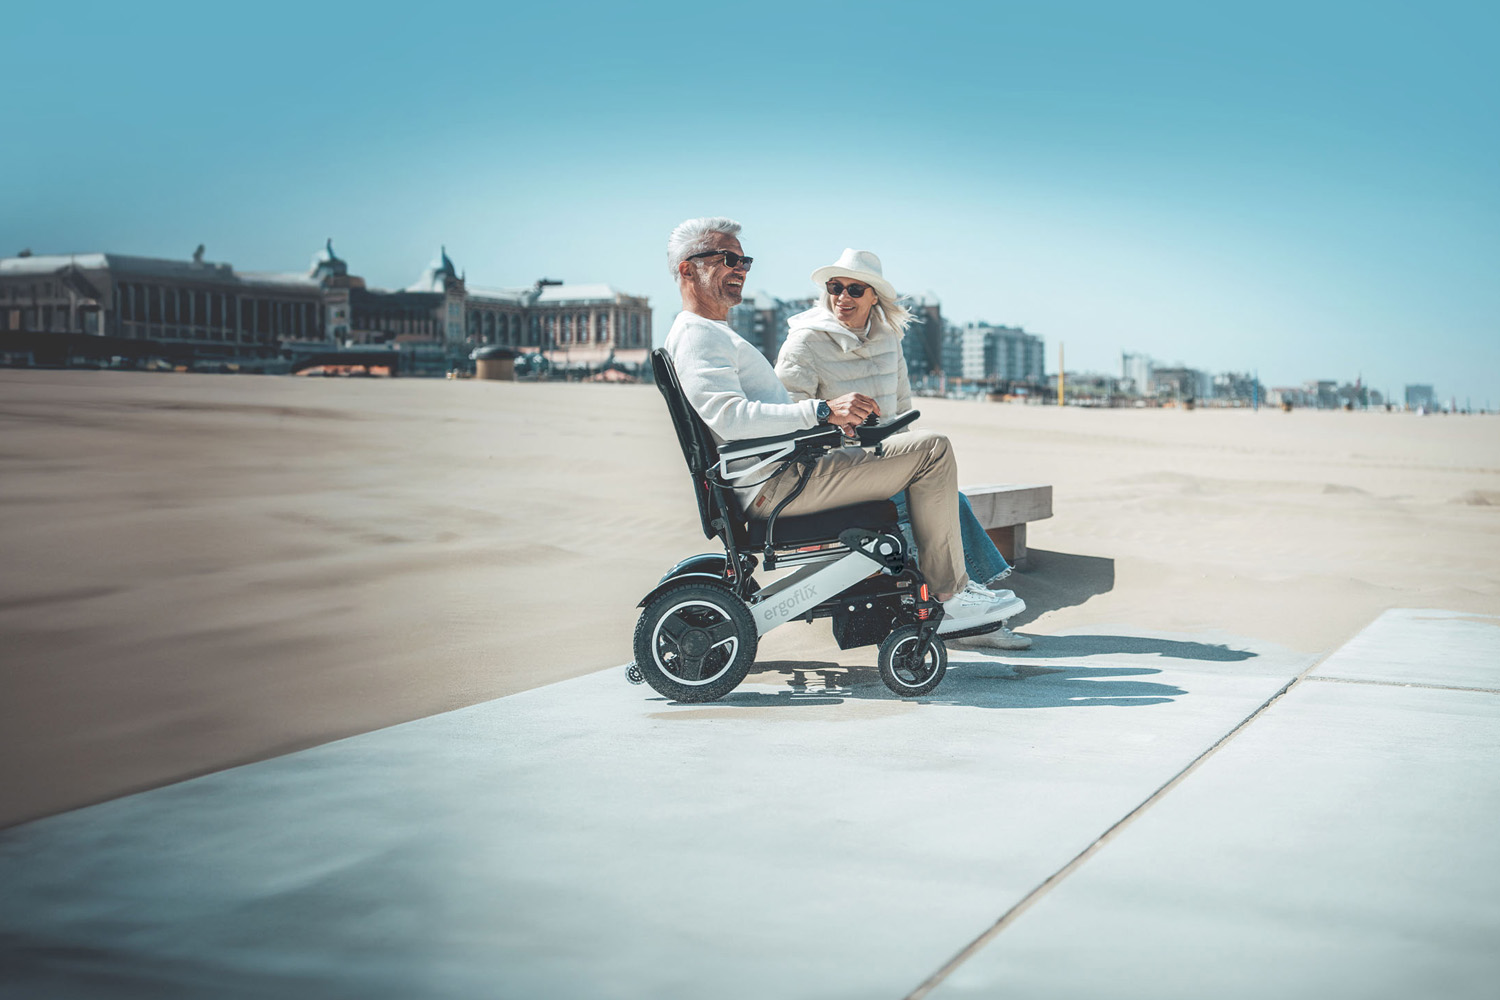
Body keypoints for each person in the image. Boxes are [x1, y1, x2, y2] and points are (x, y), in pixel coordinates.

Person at [661, 217, 1023, 636]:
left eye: (744, 260)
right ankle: (951, 597)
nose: (741, 268)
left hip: (782, 473)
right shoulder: (699, 335)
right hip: (781, 483)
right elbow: (728, 416)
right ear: (688, 269)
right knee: (935, 450)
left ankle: (965, 598)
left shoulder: (712, 333)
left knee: (934, 476)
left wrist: (827, 422)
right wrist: (820, 413)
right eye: (728, 259)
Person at [774, 249, 1032, 651]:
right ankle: (959, 606)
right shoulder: (805, 341)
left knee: (948, 498)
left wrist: (899, 459)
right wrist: (835, 422)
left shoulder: (889, 340)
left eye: (854, 289)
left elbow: (902, 412)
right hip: (829, 466)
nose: (842, 296)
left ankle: (967, 611)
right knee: (925, 497)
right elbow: (787, 416)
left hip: (879, 456)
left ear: (873, 296)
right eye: (835, 287)